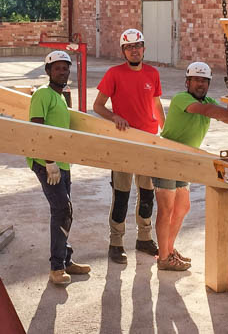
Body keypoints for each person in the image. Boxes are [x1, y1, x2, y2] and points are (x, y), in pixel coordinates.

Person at [93, 28, 164, 264]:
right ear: (123, 51)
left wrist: (166, 132)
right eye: (129, 47)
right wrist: (114, 117)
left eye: (138, 46)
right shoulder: (114, 74)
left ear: (144, 48)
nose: (134, 50)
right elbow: (98, 106)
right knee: (121, 195)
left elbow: (156, 104)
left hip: (148, 142)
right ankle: (116, 242)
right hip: (123, 142)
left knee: (147, 194)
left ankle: (144, 238)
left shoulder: (153, 73)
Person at [154, 62, 228, 271]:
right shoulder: (182, 99)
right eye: (196, 80)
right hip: (167, 157)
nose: (200, 84)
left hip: (185, 159)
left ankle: (168, 250)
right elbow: (207, 111)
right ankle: (163, 258)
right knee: (166, 209)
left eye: (204, 81)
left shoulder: (208, 100)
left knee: (183, 207)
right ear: (187, 82)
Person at [28, 50, 91, 285]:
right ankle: (57, 268)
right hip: (47, 163)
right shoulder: (43, 94)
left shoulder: (62, 95)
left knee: (66, 211)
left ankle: (65, 260)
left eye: (66, 68)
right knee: (61, 210)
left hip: (62, 162)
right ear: (48, 71)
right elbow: (37, 130)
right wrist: (48, 161)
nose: (63, 72)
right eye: (57, 68)